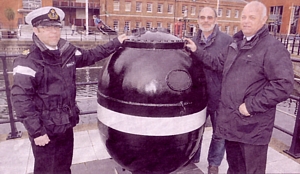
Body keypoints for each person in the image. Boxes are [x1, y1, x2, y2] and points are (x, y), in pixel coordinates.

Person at [11, 6, 127, 174]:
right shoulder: (27, 61)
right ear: (36, 30)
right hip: (45, 129)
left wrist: (116, 43)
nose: (53, 32)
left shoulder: (67, 52)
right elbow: (21, 100)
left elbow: (91, 55)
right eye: (46, 27)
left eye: (56, 27)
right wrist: (37, 132)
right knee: (46, 170)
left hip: (65, 125)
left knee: (64, 168)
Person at [185, 1, 294, 173]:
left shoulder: (272, 48)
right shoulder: (235, 43)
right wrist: (196, 50)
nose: (246, 21)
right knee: (235, 168)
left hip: (253, 127)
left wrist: (251, 106)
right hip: (233, 124)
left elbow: (284, 85)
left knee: (251, 170)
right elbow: (216, 63)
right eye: (244, 17)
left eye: (252, 17)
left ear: (263, 19)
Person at [190, 7, 232, 174]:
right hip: (197, 96)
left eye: (209, 17)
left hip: (219, 94)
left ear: (215, 20)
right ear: (198, 20)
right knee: (195, 129)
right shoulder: (192, 41)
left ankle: (213, 164)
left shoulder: (227, 41)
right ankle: (192, 158)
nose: (206, 20)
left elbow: (221, 66)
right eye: (202, 17)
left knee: (219, 133)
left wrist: (196, 51)